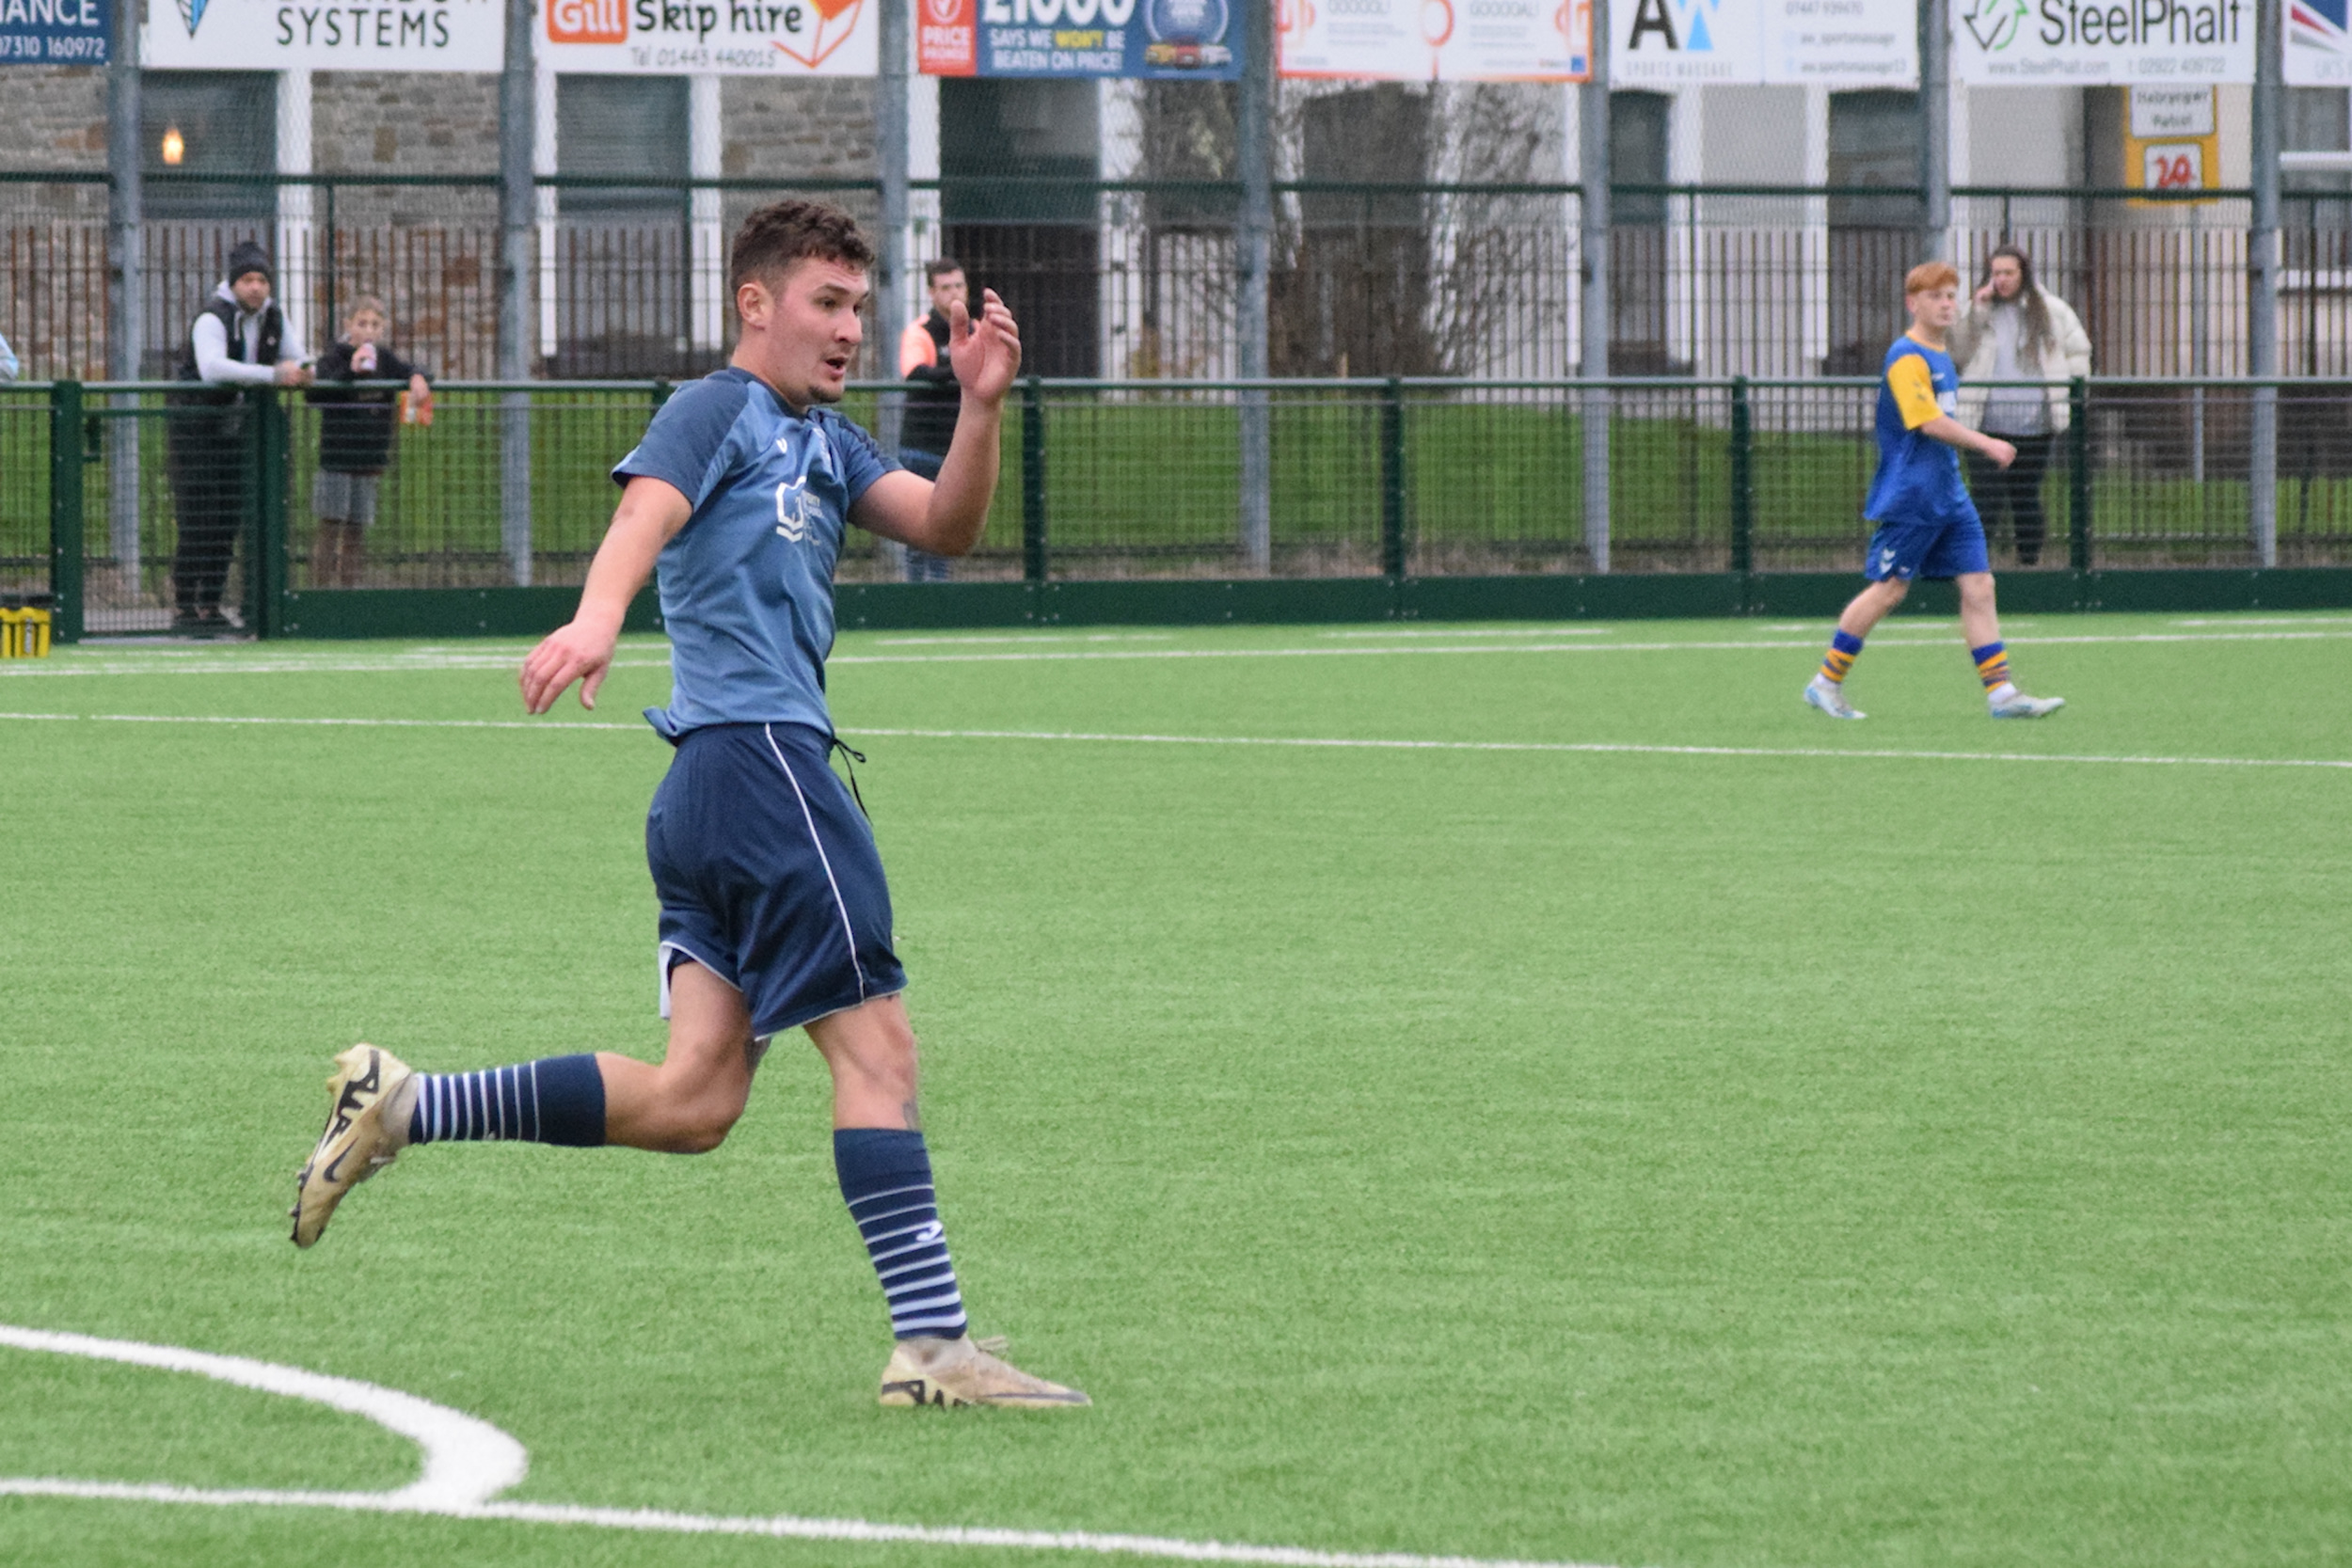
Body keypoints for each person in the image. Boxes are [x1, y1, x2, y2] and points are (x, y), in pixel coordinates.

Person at [289, 201, 1088, 1411]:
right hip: (763, 769)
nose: (847, 328)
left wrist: (978, 408)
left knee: (695, 1098)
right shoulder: (718, 406)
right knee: (878, 1052)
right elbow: (644, 512)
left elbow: (948, 525)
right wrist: (598, 616)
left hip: (708, 791)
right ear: (753, 304)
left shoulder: (828, 440)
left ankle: (404, 1102)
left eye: (858, 306)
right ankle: (933, 1349)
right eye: (825, 303)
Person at [1804, 261, 2065, 722]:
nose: (1946, 304)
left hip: (1949, 493)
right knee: (1889, 590)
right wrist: (1986, 443)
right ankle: (1826, 683)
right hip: (1914, 496)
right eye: (1935, 296)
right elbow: (1927, 421)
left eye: (1950, 296)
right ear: (1913, 303)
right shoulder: (1907, 357)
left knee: (1980, 585)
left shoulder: (1941, 352)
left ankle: (2002, 694)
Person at [167, 240, 310, 632]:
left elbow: (297, 355)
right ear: (233, 284)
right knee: (198, 518)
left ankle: (210, 603)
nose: (256, 287)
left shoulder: (273, 316)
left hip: (240, 432)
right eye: (248, 280)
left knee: (229, 518)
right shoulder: (212, 318)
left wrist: (306, 370)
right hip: (197, 431)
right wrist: (274, 375)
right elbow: (212, 368)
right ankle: (184, 604)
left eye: (262, 280)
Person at [1947, 245, 2091, 567]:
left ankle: (2029, 562)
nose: (2001, 279)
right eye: (1996, 273)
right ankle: (1975, 567)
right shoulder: (1978, 309)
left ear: (2023, 274)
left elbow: (2078, 351)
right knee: (1986, 498)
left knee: (2025, 496)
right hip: (1984, 424)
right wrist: (1977, 312)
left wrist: (2073, 393)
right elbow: (1957, 351)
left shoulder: (2053, 311)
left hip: (2034, 424)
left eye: (2008, 272)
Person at [306, 296, 433, 589]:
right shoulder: (334, 357)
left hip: (369, 458)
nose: (368, 330)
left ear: (383, 328)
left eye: (375, 325)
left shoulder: (385, 359)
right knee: (330, 525)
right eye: (362, 323)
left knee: (356, 529)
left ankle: (349, 590)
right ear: (348, 325)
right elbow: (315, 395)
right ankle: (319, 593)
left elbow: (413, 370)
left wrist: (418, 378)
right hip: (337, 459)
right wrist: (350, 371)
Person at [895, 258, 968, 583]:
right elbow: (916, 373)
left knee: (947, 526)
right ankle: (917, 593)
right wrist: (960, 370)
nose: (955, 293)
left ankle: (939, 590)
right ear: (931, 293)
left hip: (957, 448)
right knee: (917, 528)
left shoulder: (974, 330)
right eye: (946, 287)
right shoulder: (920, 331)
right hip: (922, 446)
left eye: (959, 285)